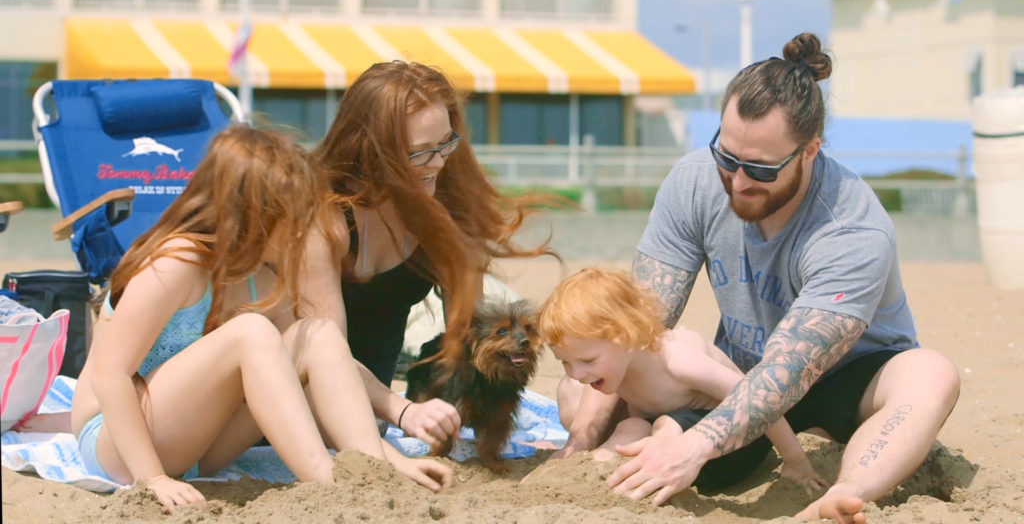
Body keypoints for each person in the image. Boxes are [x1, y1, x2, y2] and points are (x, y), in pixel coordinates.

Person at [560, 33, 961, 523]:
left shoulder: (851, 230)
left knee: (932, 374)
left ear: (810, 150)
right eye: (727, 157)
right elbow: (636, 325)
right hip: (738, 377)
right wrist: (582, 439)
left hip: (849, 379)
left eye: (761, 169)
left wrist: (695, 447)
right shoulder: (694, 181)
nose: (738, 180)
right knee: (579, 392)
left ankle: (846, 494)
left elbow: (789, 372)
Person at [70, 125, 451, 512]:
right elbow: (110, 375)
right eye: (294, 218)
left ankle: (372, 470)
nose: (304, 230)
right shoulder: (176, 262)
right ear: (252, 217)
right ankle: (327, 481)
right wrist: (152, 478)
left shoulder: (261, 274)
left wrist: (394, 455)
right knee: (252, 332)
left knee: (315, 334)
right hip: (118, 444)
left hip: (199, 444)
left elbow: (329, 370)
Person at [311, 60, 559, 451]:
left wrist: (495, 420)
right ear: (368, 149)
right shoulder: (326, 220)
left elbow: (470, 336)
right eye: (420, 152)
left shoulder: (444, 209)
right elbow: (320, 353)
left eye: (446, 143)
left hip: (369, 416)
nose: (440, 162)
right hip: (296, 400)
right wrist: (402, 409)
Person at [537, 267, 828, 494]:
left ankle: (609, 473)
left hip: (736, 448)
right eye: (565, 362)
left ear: (624, 338)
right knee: (631, 423)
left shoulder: (678, 360)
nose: (575, 372)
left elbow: (760, 399)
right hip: (675, 445)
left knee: (665, 424)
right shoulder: (620, 367)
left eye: (587, 361)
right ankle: (590, 473)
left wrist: (796, 461)